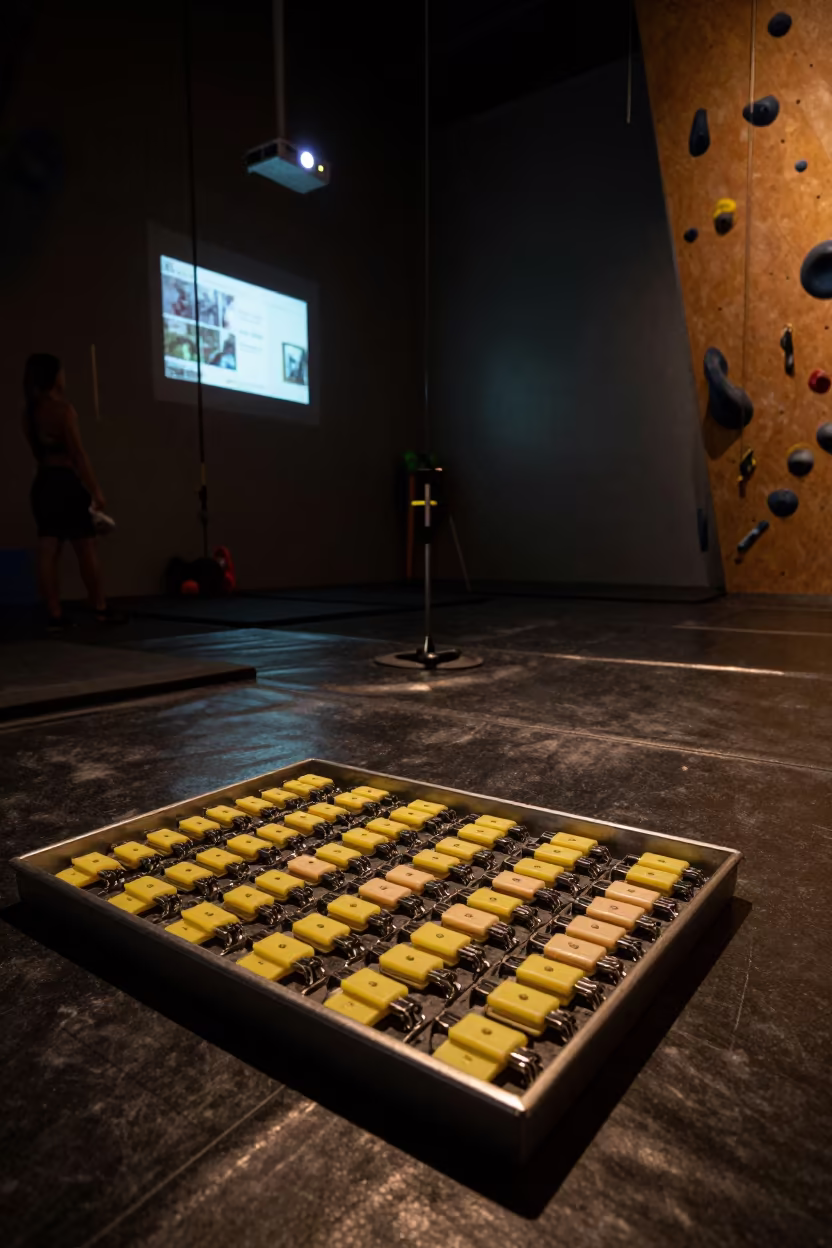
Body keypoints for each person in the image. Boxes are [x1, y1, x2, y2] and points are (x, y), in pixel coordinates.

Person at [22, 353, 123, 628]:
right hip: (65, 482)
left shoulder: (29, 414)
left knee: (48, 547)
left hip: (43, 483)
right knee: (86, 546)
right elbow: (77, 454)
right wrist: (96, 490)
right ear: (54, 376)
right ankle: (99, 606)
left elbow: (38, 452)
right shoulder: (63, 410)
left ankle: (53, 612)